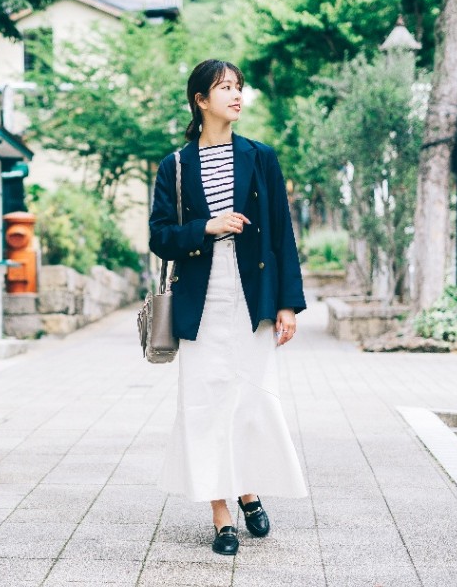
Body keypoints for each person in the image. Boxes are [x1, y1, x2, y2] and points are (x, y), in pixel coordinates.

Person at [148, 59, 307, 556]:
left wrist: (288, 304)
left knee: (253, 401)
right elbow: (159, 236)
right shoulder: (175, 165)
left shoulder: (260, 157)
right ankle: (222, 515)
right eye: (225, 88)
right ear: (200, 100)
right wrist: (207, 227)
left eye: (239, 87)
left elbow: (281, 233)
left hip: (252, 296)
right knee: (205, 404)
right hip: (200, 301)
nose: (237, 95)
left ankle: (249, 489)